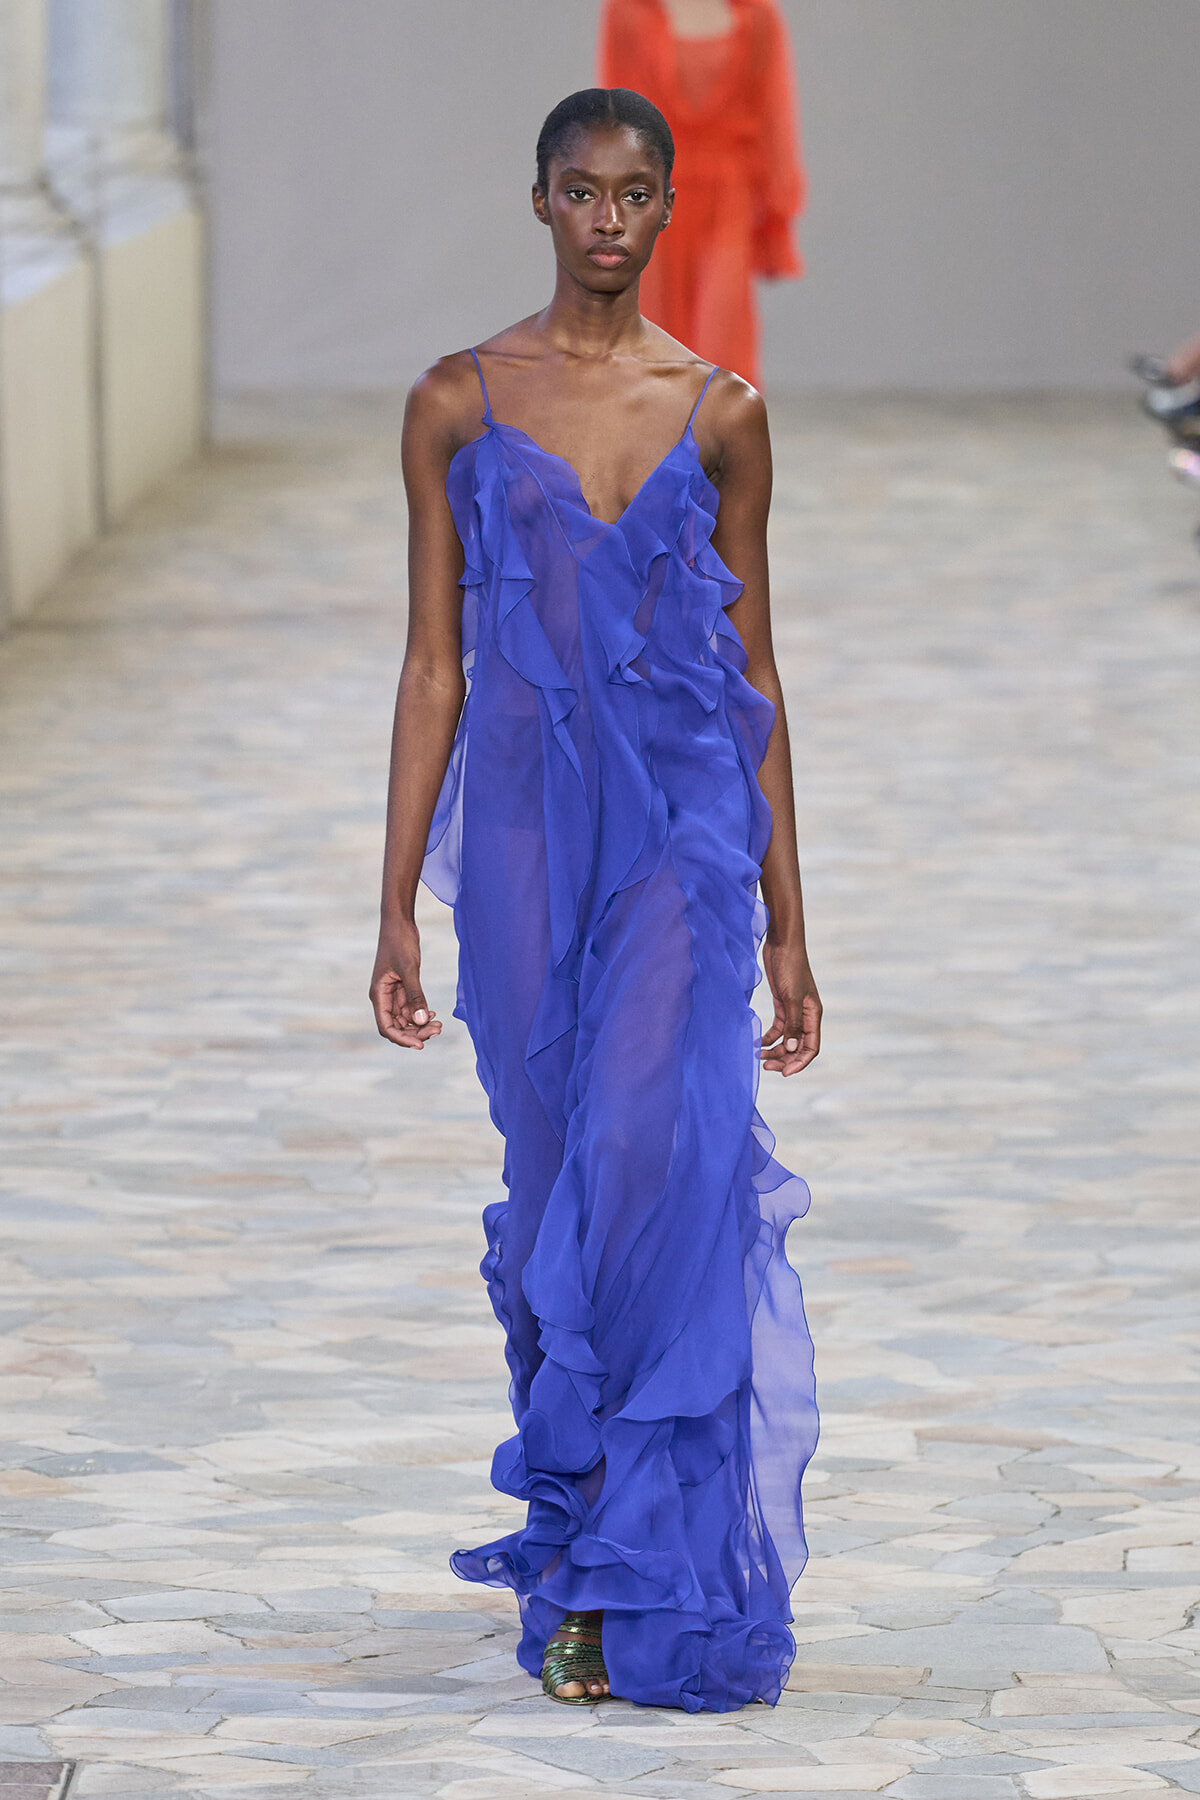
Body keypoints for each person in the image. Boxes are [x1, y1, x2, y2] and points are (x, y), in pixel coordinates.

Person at [370, 86, 820, 1714]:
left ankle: (641, 1568)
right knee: (560, 1179)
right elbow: (433, 663)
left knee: (654, 1165)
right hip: (519, 854)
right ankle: (576, 1559)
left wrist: (788, 926)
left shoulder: (724, 416)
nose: (610, 220)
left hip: (682, 847)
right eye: (583, 191)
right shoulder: (453, 403)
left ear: (668, 207)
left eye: (636, 193)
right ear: (541, 202)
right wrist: (391, 906)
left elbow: (755, 675)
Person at [599, 0, 806, 390]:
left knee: (723, 339)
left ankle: (722, 446)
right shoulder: (626, 12)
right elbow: (616, 114)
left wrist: (778, 212)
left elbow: (775, 118)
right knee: (648, 333)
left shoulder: (759, 19)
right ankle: (647, 443)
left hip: (728, 195)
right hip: (651, 192)